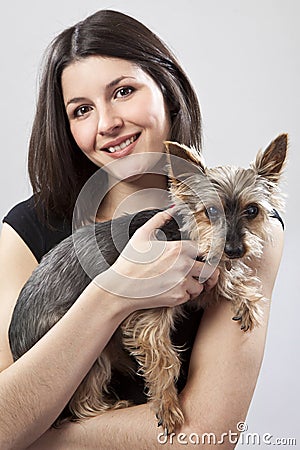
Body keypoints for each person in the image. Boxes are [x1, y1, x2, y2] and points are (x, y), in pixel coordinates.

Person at [0, 10, 283, 450]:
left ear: (168, 93)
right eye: (81, 110)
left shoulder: (248, 225)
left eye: (124, 91)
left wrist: (34, 433)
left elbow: (208, 438)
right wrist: (113, 293)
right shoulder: (24, 229)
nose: (106, 123)